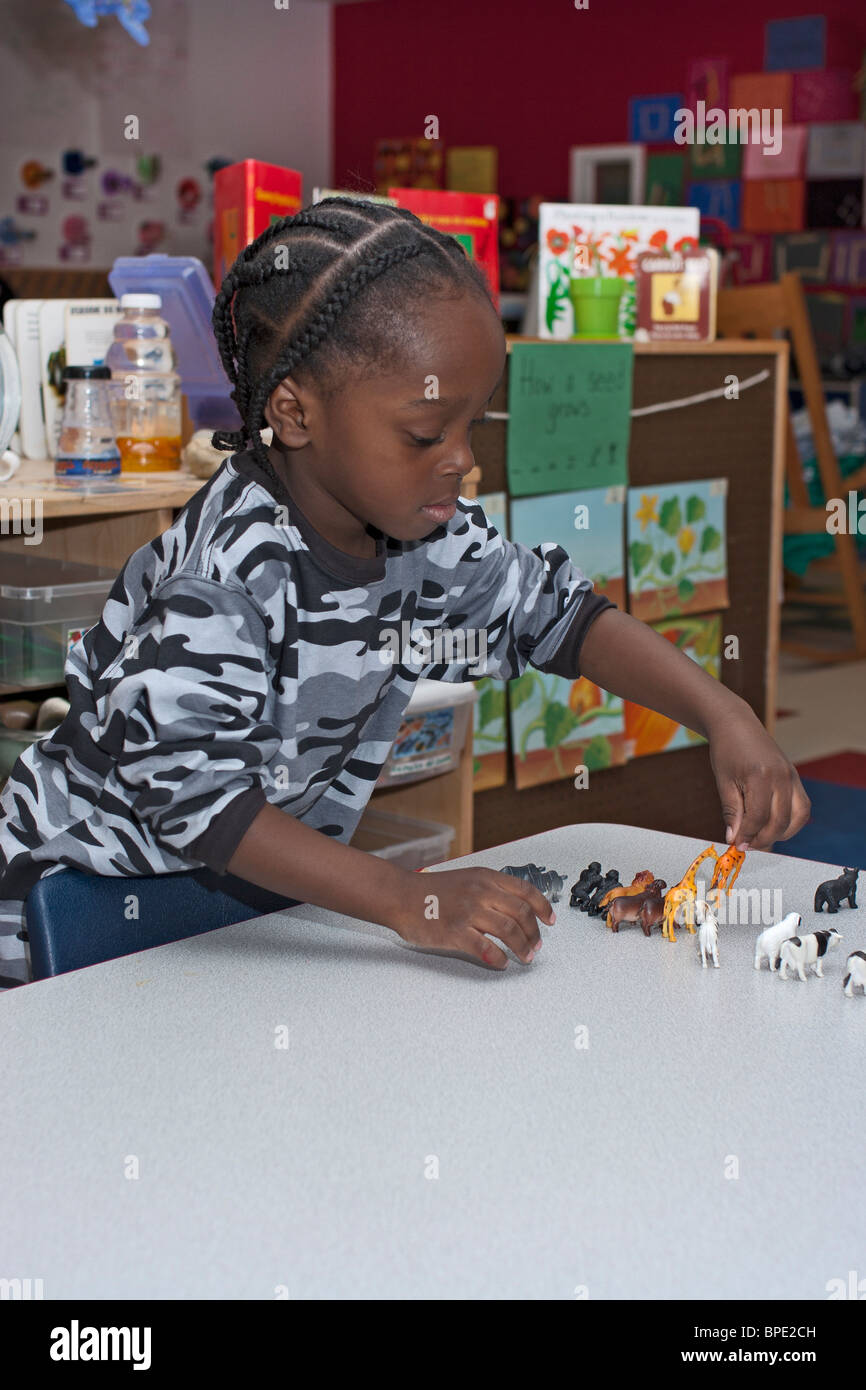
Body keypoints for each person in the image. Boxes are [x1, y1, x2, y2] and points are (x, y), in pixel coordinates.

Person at [0, 198, 810, 984]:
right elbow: (195, 797)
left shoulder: (423, 529)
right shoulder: (230, 573)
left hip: (240, 919)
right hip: (72, 919)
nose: (459, 459)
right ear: (295, 413)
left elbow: (561, 616)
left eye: (475, 425)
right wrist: (405, 898)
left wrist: (723, 713)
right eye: (426, 434)